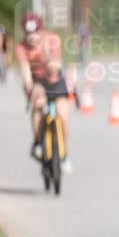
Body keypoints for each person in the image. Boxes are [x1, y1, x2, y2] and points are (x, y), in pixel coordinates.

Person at [15, 12, 73, 173]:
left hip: (55, 79)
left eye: (35, 32)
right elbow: (25, 70)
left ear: (41, 30)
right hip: (37, 81)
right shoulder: (21, 47)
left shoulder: (53, 40)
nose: (32, 37)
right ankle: (38, 142)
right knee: (38, 103)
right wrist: (28, 85)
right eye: (28, 33)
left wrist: (45, 53)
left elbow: (55, 67)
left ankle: (65, 154)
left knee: (63, 115)